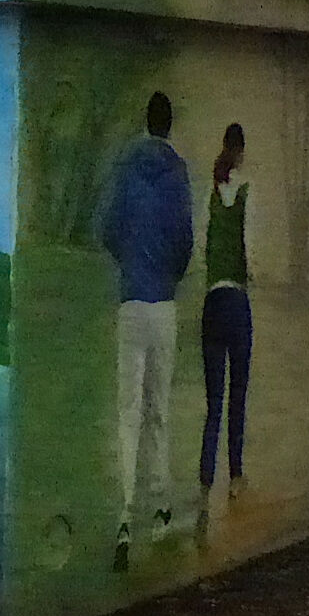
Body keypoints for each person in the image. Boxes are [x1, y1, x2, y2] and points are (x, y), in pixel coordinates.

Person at [99, 91, 194, 570]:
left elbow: (107, 228)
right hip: (163, 305)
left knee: (128, 410)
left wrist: (130, 265)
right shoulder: (177, 173)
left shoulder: (125, 168)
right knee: (159, 410)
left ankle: (121, 513)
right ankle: (159, 509)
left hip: (130, 301)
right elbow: (185, 241)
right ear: (170, 124)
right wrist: (167, 275)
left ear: (144, 120)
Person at [198, 123, 252, 538]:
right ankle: (235, 477)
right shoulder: (248, 194)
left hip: (211, 303)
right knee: (238, 395)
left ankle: (204, 483)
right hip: (237, 302)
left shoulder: (210, 196)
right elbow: (251, 253)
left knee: (213, 401)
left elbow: (205, 250)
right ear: (242, 152)